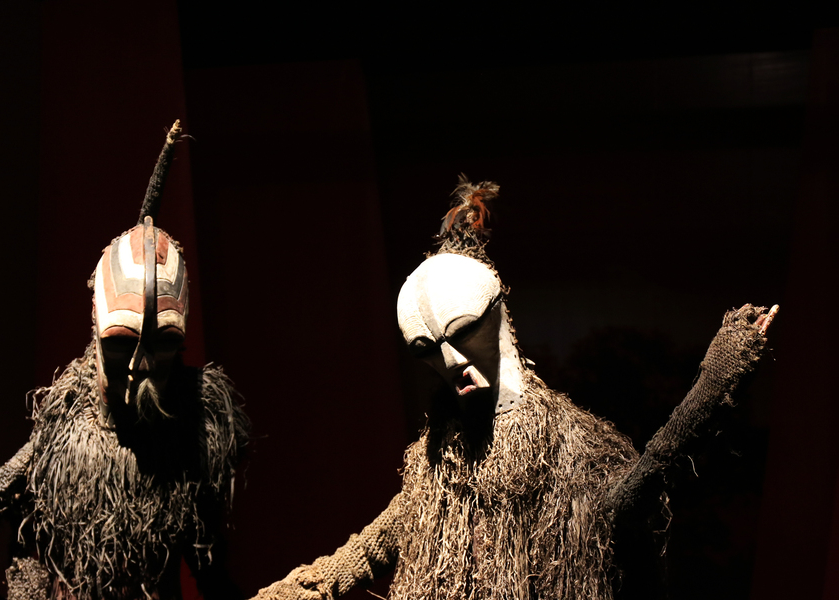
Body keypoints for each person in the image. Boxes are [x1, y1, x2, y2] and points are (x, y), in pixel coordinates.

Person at [253, 177, 777, 600]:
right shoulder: (436, 471)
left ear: (496, 314)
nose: (451, 362)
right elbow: (361, 555)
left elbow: (633, 491)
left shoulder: (573, 449)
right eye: (428, 350)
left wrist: (713, 384)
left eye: (462, 333)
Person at [0, 122, 250, 600]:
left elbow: (207, 565)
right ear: (96, 331)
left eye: (163, 345)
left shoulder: (191, 441)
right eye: (122, 343)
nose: (140, 365)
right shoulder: (60, 439)